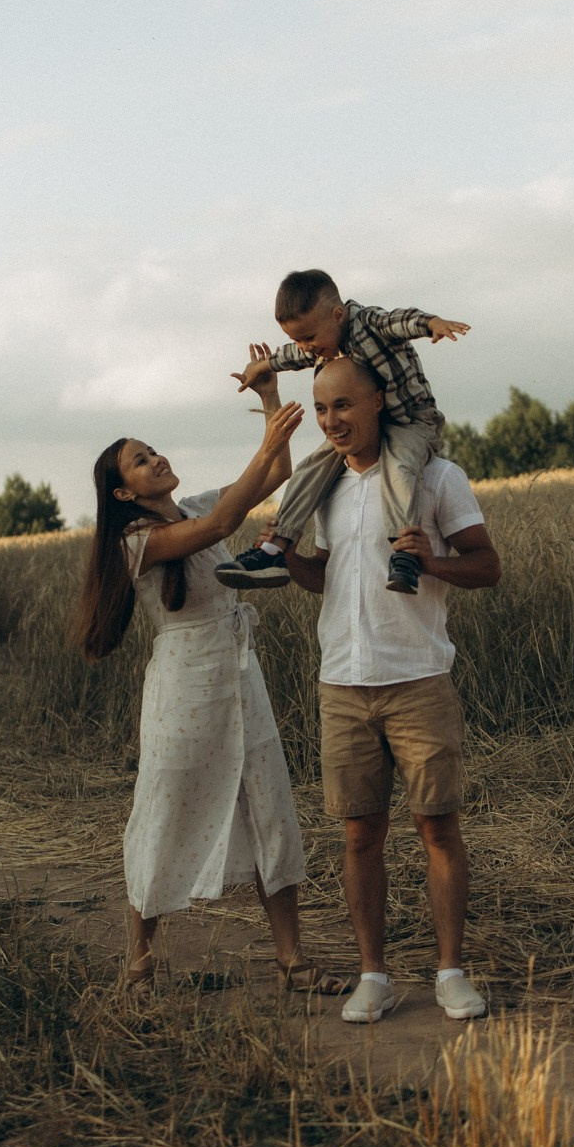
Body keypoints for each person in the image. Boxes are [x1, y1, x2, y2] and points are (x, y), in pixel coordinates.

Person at [74, 355, 345, 997]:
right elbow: (224, 526)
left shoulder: (190, 503)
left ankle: (293, 964)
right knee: (164, 809)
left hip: (239, 676)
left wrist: (272, 394)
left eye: (154, 450)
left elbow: (276, 475)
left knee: (270, 806)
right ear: (123, 492)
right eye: (141, 461)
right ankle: (140, 962)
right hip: (183, 687)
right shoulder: (135, 543)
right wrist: (273, 434)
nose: (156, 459)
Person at [277, 357, 501, 1024]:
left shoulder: (436, 476)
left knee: (437, 826)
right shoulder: (323, 487)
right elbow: (329, 577)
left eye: (343, 405)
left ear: (378, 401)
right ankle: (373, 975)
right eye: (321, 409)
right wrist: (284, 556)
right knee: (358, 836)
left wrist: (429, 558)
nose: (332, 420)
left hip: (418, 678)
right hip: (342, 683)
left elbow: (487, 566)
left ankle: (450, 973)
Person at [215, 268, 469, 597]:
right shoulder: (318, 342)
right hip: (367, 427)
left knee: (400, 467)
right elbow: (290, 356)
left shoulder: (368, 323)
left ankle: (404, 553)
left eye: (309, 337)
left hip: (411, 420)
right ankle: (274, 549)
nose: (305, 347)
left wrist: (432, 324)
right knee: (310, 469)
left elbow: (400, 320)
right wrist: (260, 367)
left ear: (338, 315)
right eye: (297, 339)